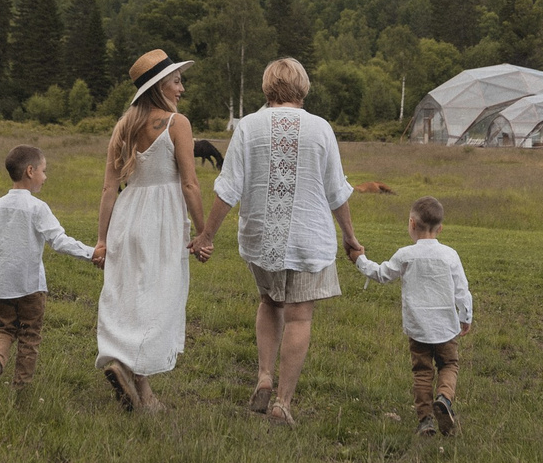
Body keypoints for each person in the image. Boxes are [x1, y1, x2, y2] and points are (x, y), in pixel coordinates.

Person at [192, 56, 362, 428]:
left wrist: (207, 235)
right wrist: (350, 237)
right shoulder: (320, 129)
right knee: (299, 314)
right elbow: (337, 191)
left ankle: (264, 377)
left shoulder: (249, 126)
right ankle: (282, 404)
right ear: (302, 86)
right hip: (308, 237)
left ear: (268, 86)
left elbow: (228, 187)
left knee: (269, 301)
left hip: (261, 237)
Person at [93, 50, 207, 413]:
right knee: (160, 297)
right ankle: (133, 370)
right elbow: (190, 184)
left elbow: (109, 189)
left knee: (130, 294)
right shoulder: (177, 123)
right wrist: (204, 233)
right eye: (176, 81)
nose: (181, 88)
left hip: (128, 217)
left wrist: (101, 239)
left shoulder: (123, 126)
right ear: (160, 86)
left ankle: (139, 387)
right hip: (162, 220)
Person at [0, 144, 98, 406]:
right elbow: (59, 241)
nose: (46, 177)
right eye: (44, 171)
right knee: (29, 336)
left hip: (1, 285)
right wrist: (93, 253)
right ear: (30, 171)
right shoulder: (37, 208)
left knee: (3, 330)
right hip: (30, 286)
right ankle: (20, 393)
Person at [356, 196, 474, 437]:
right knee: (449, 365)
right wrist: (466, 316)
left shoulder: (405, 255)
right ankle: (444, 398)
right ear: (440, 228)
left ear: (411, 223)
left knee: (422, 372)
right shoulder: (450, 255)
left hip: (418, 327)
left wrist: (359, 260)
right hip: (446, 327)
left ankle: (426, 421)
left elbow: (382, 274)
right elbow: (462, 289)